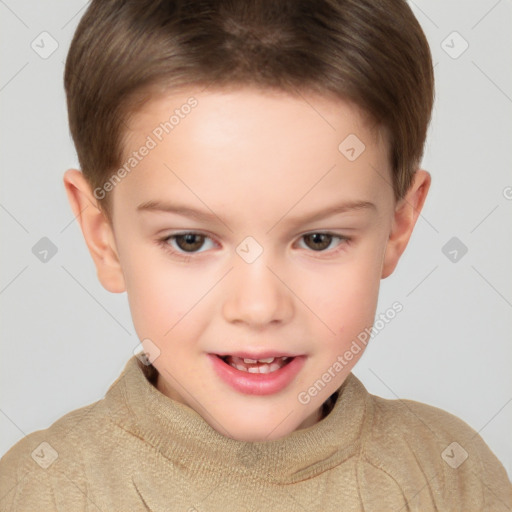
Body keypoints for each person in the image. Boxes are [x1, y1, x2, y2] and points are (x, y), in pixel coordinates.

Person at [1, 0, 510, 510]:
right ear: (102, 235)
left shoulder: (447, 476)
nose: (259, 306)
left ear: (398, 226)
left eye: (318, 239)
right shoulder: (41, 490)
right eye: (190, 241)